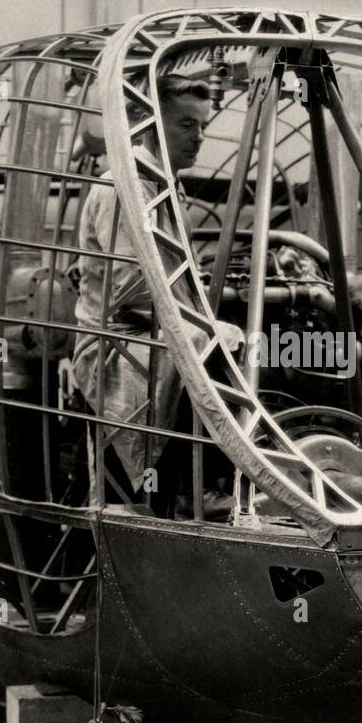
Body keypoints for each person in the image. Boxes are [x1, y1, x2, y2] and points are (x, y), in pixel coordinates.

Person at [72, 75, 240, 502]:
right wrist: (203, 323)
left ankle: (212, 483)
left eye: (204, 125)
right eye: (186, 125)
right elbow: (132, 291)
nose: (199, 137)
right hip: (119, 348)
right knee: (209, 342)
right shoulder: (123, 187)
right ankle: (201, 487)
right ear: (148, 121)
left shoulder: (163, 184)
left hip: (151, 336)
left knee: (227, 339)